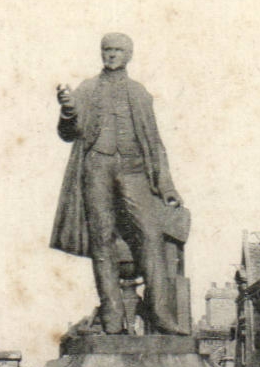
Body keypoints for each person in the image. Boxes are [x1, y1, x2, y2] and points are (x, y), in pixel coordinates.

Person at [50, 33, 189, 335]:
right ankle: (112, 316)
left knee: (150, 236)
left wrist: (167, 187)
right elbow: (69, 132)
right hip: (96, 166)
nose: (111, 55)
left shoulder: (139, 93)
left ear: (128, 55)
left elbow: (155, 142)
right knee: (101, 241)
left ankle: (161, 314)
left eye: (117, 50)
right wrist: (68, 110)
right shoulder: (87, 89)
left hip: (133, 169)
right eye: (107, 50)